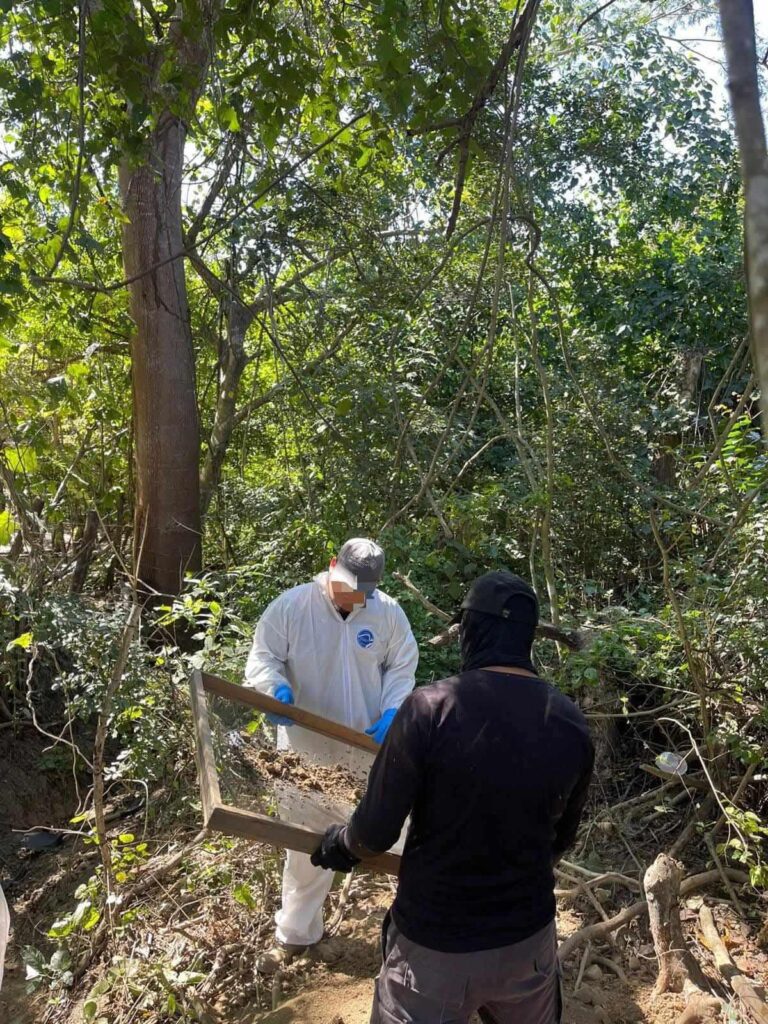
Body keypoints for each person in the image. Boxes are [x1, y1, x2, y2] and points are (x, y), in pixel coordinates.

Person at [311, 571, 595, 1024]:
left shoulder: (430, 708)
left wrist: (340, 844)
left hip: (433, 947)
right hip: (527, 944)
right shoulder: (571, 723)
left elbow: (375, 832)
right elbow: (560, 841)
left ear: (474, 632)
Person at [244, 538, 418, 973]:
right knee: (307, 848)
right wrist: (273, 690)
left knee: (402, 841)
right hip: (305, 754)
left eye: (364, 591)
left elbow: (402, 666)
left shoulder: (388, 613)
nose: (354, 597)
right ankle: (297, 935)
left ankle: (424, 933)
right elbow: (263, 658)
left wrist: (395, 709)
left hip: (368, 752)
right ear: (331, 566)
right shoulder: (291, 607)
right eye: (348, 586)